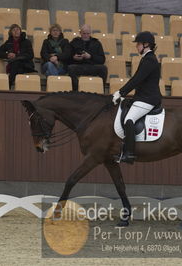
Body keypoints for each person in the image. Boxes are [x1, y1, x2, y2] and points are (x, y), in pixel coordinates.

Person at [112, 31, 162, 164]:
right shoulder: (146, 58)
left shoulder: (150, 60)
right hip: (142, 97)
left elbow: (137, 80)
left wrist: (121, 93)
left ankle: (129, 154)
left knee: (129, 119)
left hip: (148, 98)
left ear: (146, 44)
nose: (137, 46)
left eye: (138, 44)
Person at [67, 24, 107, 91]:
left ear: (90, 33)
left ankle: (101, 90)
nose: (86, 35)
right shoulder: (74, 42)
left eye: (87, 33)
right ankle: (76, 91)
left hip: (92, 66)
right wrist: (74, 58)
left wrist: (90, 56)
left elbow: (102, 59)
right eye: (84, 33)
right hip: (79, 66)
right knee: (70, 68)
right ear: (80, 33)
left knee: (103, 68)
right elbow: (68, 56)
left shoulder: (96, 43)